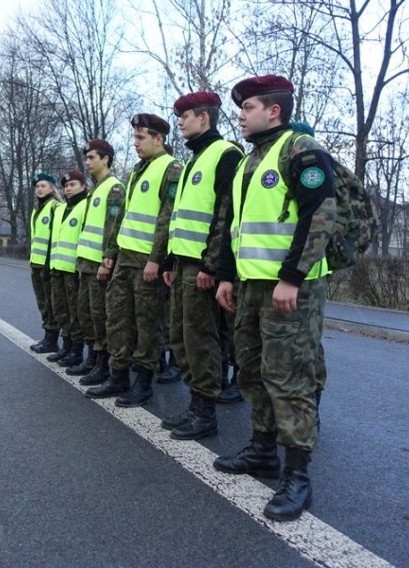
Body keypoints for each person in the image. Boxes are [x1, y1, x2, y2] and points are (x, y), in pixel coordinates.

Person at [213, 75, 336, 522]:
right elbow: (237, 227)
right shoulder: (252, 160)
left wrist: (292, 276)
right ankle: (262, 450)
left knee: (290, 377)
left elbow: (320, 214)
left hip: (291, 290)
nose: (241, 115)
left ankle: (297, 476)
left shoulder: (301, 149)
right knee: (253, 369)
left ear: (274, 111)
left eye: (248, 107)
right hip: (251, 287)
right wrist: (226, 276)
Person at [160, 92, 244, 439]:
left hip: (202, 268)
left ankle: (205, 413)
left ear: (204, 118)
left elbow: (225, 217)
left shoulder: (225, 155)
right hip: (183, 265)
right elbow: (180, 218)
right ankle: (196, 405)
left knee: (202, 340)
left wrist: (213, 267)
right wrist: (169, 259)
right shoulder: (195, 159)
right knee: (181, 338)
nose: (180, 121)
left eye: (185, 115)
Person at [90, 113, 182, 405]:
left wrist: (156, 259)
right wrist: (110, 256)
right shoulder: (138, 171)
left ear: (159, 138)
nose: (135, 143)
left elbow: (167, 219)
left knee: (147, 325)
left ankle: (143, 384)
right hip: (124, 261)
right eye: (134, 137)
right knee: (118, 320)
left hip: (146, 263)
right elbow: (124, 219)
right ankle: (118, 377)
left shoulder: (171, 168)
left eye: (141, 137)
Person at [75, 139, 126, 391]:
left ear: (105, 158)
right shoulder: (96, 189)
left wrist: (108, 258)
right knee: (87, 314)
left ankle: (103, 364)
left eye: (92, 157)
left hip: (100, 263)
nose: (87, 162)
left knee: (101, 316)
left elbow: (113, 226)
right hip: (86, 262)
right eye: (86, 158)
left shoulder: (114, 188)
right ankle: (94, 358)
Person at [47, 171, 90, 368]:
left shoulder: (85, 206)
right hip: (57, 267)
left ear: (83, 186)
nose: (68, 189)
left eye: (73, 184)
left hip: (74, 269)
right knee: (61, 309)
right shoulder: (61, 209)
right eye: (66, 186)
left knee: (76, 312)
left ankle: (76, 350)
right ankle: (66, 345)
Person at [28, 173, 62, 354]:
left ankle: (52, 339)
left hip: (48, 264)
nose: (39, 189)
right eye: (37, 186)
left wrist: (50, 263)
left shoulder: (55, 207)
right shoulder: (37, 210)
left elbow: (55, 237)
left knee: (51, 303)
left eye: (43, 186)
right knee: (42, 302)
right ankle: (48, 337)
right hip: (36, 263)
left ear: (52, 188)